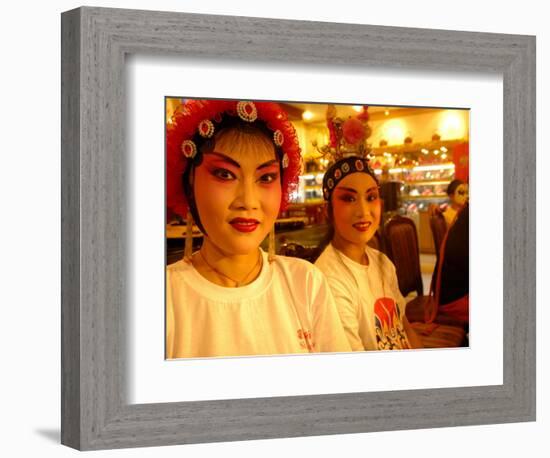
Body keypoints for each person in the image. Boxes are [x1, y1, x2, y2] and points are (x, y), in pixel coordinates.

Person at [165, 99, 351, 358]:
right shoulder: (164, 299)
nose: (248, 201)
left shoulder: (306, 284)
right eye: (224, 174)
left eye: (265, 178)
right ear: (189, 183)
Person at [314, 156, 422, 351]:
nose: (363, 211)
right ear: (327, 210)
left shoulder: (382, 262)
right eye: (349, 198)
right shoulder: (328, 279)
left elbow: (404, 328)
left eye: (370, 197)